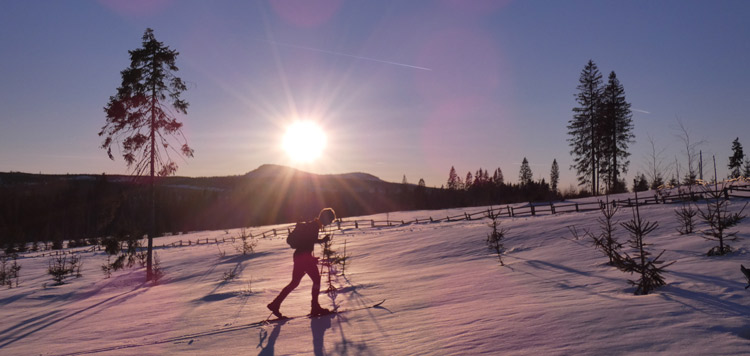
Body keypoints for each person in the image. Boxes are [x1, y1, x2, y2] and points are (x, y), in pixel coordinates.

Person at [267, 208, 337, 318]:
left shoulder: (313, 226)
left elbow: (308, 241)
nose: (329, 224)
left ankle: (275, 304)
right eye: (330, 221)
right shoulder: (314, 227)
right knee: (316, 280)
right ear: (325, 218)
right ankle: (315, 307)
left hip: (299, 256)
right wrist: (310, 257)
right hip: (304, 258)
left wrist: (320, 242)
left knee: (294, 283)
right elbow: (308, 242)